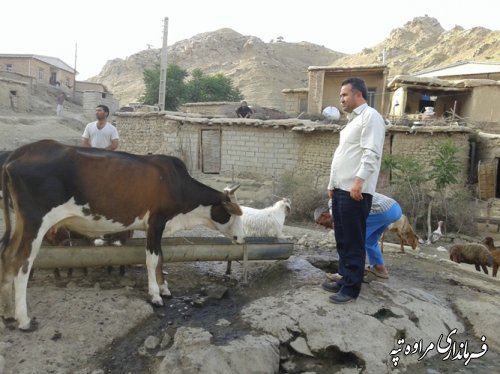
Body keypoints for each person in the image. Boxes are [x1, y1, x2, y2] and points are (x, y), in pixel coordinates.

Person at [322, 77, 386, 304]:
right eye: (340, 95)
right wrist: (332, 185)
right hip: (341, 189)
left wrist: (358, 181)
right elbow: (341, 157)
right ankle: (344, 277)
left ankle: (351, 289)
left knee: (353, 240)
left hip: (355, 191)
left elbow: (372, 152)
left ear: (358, 94)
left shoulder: (371, 117)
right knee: (342, 238)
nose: (341, 99)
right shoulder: (352, 121)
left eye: (344, 95)